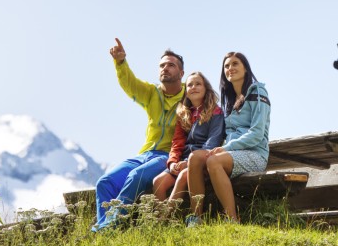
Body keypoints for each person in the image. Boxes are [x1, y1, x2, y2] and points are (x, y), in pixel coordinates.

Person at [92, 38, 186, 232]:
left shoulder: (189, 96)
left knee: (136, 176)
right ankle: (104, 228)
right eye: (161, 65)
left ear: (181, 73)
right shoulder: (152, 93)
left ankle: (112, 227)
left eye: (171, 65)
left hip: (167, 156)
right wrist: (120, 62)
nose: (165, 68)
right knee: (104, 182)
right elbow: (130, 84)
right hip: (145, 154)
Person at [185, 52, 271, 225]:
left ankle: (231, 220)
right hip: (230, 154)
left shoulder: (257, 91)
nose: (230, 68)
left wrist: (226, 148)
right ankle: (195, 219)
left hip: (254, 154)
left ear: (245, 68)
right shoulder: (229, 101)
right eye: (226, 66)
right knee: (195, 158)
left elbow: (257, 133)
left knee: (213, 162)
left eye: (235, 64)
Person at [152, 71, 224, 202]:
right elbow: (177, 143)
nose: (194, 87)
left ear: (205, 88)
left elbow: (213, 142)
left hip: (202, 161)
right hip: (182, 160)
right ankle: (162, 220)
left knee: (183, 177)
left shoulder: (215, 112)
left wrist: (189, 162)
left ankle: (164, 219)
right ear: (186, 91)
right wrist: (173, 162)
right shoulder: (184, 115)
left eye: (198, 84)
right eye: (190, 85)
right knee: (158, 182)